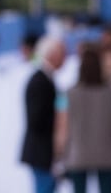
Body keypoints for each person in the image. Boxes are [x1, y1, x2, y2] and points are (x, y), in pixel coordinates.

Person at [63, 43, 111, 193]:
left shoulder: (68, 94)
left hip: (78, 154)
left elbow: (62, 127)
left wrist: (59, 153)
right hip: (106, 152)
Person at [20, 35, 68, 193]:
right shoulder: (40, 81)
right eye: (62, 53)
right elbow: (36, 118)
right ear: (52, 55)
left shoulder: (47, 79)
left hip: (44, 152)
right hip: (41, 151)